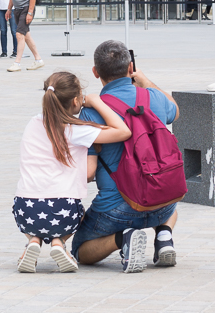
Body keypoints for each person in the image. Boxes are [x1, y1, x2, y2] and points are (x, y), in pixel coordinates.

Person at [73, 40, 178, 271]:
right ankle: (163, 236)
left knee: (80, 249)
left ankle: (124, 238)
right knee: (171, 206)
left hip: (117, 208)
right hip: (162, 200)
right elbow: (175, 109)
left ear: (95, 72)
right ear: (131, 68)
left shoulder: (91, 112)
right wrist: (145, 81)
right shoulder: (154, 97)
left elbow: (89, 172)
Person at [14, 70, 133, 273]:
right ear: (76, 100)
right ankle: (59, 243)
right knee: (80, 214)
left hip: (25, 211)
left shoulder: (32, 123)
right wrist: (96, 102)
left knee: (36, 218)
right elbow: (124, 132)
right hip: (64, 211)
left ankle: (33, 241)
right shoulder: (75, 130)